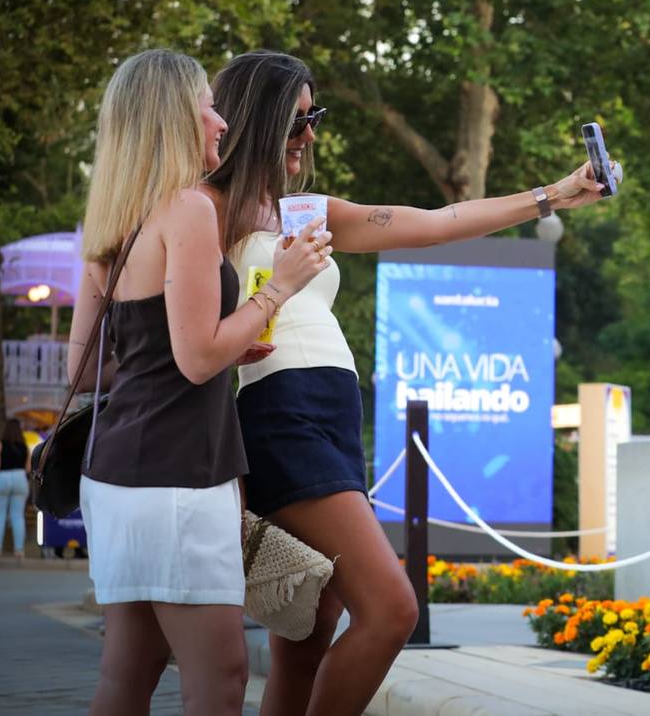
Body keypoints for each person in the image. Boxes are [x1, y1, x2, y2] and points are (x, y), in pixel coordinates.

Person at [205, 50, 611, 716]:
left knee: (307, 636)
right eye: (296, 121)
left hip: (333, 417)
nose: (310, 135)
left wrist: (555, 195)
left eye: (314, 117)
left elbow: (436, 223)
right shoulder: (207, 210)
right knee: (392, 609)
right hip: (280, 414)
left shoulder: (303, 210)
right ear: (257, 120)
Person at [69, 49, 331, 716]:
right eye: (206, 108)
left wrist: (209, 343)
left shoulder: (112, 221)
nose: (220, 123)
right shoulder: (187, 209)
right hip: (180, 475)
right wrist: (279, 289)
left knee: (126, 677)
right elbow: (196, 360)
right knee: (219, 680)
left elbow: (86, 369)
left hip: (115, 476)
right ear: (170, 119)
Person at [0, 418, 30, 559]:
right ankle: (19, 550)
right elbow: (28, 468)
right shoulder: (25, 447)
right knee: (18, 517)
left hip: (2, 478)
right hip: (20, 478)